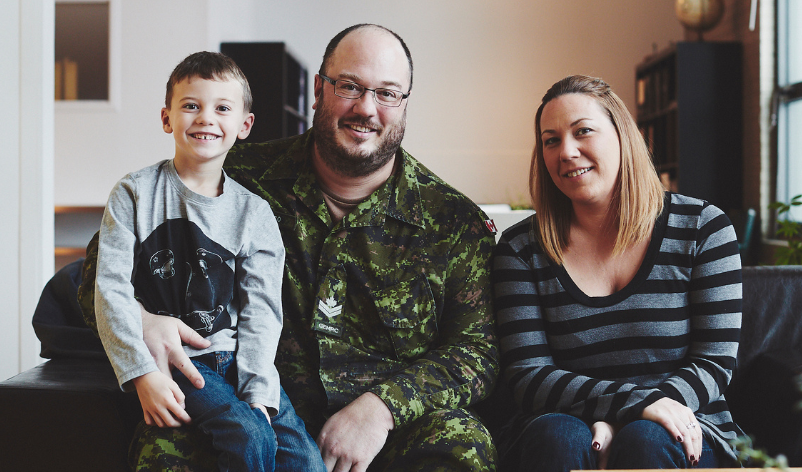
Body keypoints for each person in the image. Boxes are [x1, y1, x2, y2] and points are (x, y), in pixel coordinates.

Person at [79, 25, 499, 471]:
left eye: (388, 93)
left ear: (405, 104)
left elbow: (477, 351)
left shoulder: (453, 221)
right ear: (318, 90)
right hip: (243, 396)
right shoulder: (231, 176)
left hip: (390, 431)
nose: (366, 108)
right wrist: (145, 322)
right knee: (166, 445)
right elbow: (96, 277)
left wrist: (382, 408)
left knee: (462, 447)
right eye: (349, 86)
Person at [492, 75, 743, 471]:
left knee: (647, 438)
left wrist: (630, 419)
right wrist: (635, 406)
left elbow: (714, 362)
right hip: (561, 428)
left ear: (624, 135)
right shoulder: (520, 249)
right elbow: (529, 376)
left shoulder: (703, 228)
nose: (567, 151)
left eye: (583, 131)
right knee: (558, 434)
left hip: (687, 425)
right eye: (551, 140)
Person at [93, 51, 325, 472]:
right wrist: (142, 373)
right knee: (249, 436)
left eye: (222, 108)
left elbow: (262, 312)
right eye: (190, 106)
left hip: (239, 359)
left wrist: (258, 392)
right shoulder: (134, 194)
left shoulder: (254, 214)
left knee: (306, 461)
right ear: (167, 118)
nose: (205, 118)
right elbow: (110, 289)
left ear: (244, 125)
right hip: (182, 361)